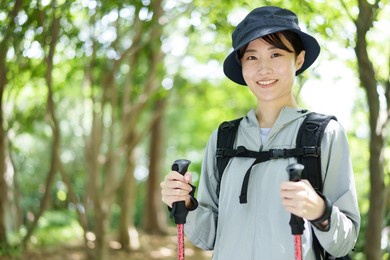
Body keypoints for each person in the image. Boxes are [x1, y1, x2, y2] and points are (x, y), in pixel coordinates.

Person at [161, 6, 360, 260]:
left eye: (276, 54)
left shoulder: (325, 134)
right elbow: (208, 237)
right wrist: (184, 203)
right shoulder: (224, 138)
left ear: (298, 59)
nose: (263, 69)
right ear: (242, 65)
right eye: (252, 57)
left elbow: (345, 242)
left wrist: (320, 211)